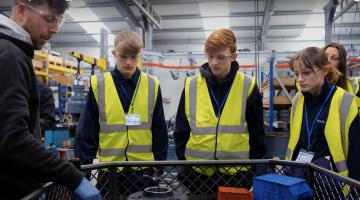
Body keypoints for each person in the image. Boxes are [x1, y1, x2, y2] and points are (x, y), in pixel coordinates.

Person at [0, 1, 101, 199]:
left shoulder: (14, 53)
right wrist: (74, 178)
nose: (55, 29)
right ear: (21, 10)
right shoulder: (8, 55)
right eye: (49, 19)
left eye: (59, 21)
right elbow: (12, 139)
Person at [75, 30, 168, 196]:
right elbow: (87, 130)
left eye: (134, 57)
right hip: (109, 170)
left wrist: (159, 167)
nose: (129, 62)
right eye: (123, 57)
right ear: (114, 53)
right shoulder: (99, 84)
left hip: (143, 171)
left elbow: (159, 129)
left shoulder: (152, 85)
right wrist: (87, 168)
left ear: (140, 55)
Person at [173, 28, 266, 194]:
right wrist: (184, 162)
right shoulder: (191, 85)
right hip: (197, 174)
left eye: (221, 57)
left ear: (233, 56)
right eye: (210, 56)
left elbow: (257, 132)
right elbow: (181, 129)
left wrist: (254, 168)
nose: (214, 62)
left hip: (236, 175)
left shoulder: (248, 85)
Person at [286, 47, 360, 181]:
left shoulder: (345, 101)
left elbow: (356, 153)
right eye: (296, 74)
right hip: (299, 177)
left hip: (333, 183)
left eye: (306, 73)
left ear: (325, 71)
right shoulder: (298, 99)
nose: (300, 79)